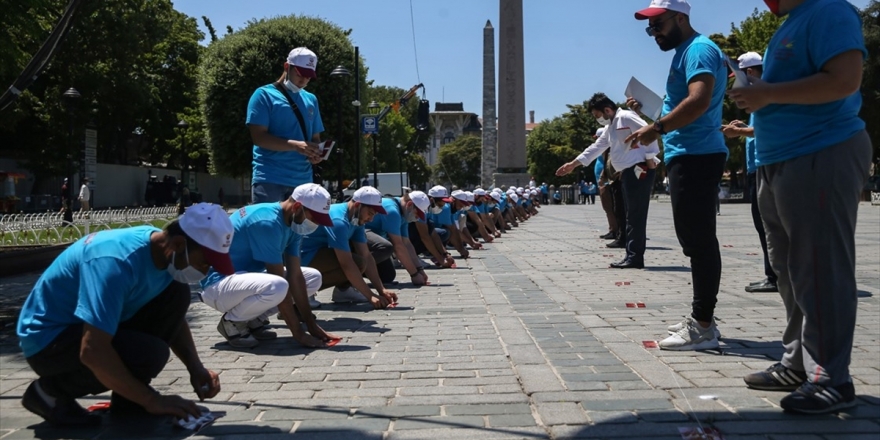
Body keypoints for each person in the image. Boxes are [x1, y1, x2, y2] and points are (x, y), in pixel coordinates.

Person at [728, 0, 872, 414]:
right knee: (790, 269)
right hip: (779, 159)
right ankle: (797, 362)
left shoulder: (830, 10)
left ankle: (832, 379)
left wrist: (767, 92)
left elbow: (844, 80)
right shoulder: (794, 22)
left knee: (821, 267)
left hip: (820, 151)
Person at [17, 203, 233, 426]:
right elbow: (92, 350)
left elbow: (171, 318)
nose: (205, 271)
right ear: (179, 244)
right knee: (147, 353)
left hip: (85, 329)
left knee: (176, 294)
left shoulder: (163, 254)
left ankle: (129, 400)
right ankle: (48, 393)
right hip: (48, 343)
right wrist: (152, 400)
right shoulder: (115, 262)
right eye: (204, 263)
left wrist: (195, 367)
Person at [628, 0, 728, 350]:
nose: (653, 33)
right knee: (694, 238)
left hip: (698, 152)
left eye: (659, 25)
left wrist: (657, 128)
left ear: (680, 18)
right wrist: (655, 121)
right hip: (689, 151)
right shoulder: (687, 50)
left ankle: (702, 325)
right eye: (649, 27)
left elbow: (699, 101)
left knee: (698, 240)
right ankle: (703, 317)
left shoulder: (699, 50)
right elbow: (681, 104)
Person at [199, 184, 339, 349]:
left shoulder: (294, 223)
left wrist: (311, 324)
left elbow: (296, 275)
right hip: (216, 285)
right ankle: (232, 323)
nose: (315, 224)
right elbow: (280, 281)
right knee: (278, 286)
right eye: (314, 218)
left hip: (242, 281)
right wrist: (298, 334)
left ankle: (252, 320)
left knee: (312, 277)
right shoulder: (267, 222)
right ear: (297, 207)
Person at [557, 92, 661, 269]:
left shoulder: (626, 117)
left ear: (607, 109)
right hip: (627, 172)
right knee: (630, 215)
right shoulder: (611, 126)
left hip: (639, 169)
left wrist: (650, 159)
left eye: (598, 115)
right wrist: (574, 164)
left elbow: (650, 133)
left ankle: (635, 257)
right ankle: (632, 254)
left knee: (635, 215)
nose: (598, 119)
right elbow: (596, 147)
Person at [720, 53, 778, 294]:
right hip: (757, 167)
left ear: (750, 73)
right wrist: (744, 128)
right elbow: (759, 128)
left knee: (767, 224)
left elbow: (769, 128)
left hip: (765, 166)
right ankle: (772, 273)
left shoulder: (766, 95)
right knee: (762, 224)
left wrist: (740, 133)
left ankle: (775, 276)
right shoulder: (760, 98)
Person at [247, 47, 325, 203]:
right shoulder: (263, 95)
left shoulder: (311, 99)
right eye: (300, 73)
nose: (303, 80)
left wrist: (316, 153)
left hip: (303, 181)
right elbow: (258, 138)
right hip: (270, 178)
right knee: (269, 227)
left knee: (300, 228)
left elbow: (315, 137)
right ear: (286, 67)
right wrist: (296, 146)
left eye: (309, 76)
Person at [299, 187, 398, 309]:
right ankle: (304, 289)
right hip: (302, 258)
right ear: (357, 205)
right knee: (357, 263)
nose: (371, 219)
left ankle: (343, 292)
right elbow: (346, 263)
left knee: (362, 261)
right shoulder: (339, 220)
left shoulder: (356, 219)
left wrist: (381, 290)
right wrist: (370, 295)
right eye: (370, 213)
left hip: (319, 253)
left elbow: (366, 255)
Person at [364, 191, 434, 285]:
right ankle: (350, 271)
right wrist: (414, 275)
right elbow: (398, 247)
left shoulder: (404, 212)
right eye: (417, 214)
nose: (417, 218)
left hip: (369, 242)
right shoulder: (392, 211)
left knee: (387, 276)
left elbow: (407, 244)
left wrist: (419, 270)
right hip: (359, 235)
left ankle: (359, 270)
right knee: (386, 247)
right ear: (409, 204)